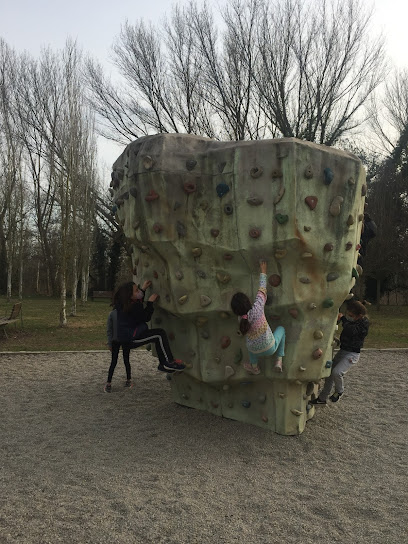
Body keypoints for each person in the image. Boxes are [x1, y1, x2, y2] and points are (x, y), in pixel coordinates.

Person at [104, 281, 185, 392]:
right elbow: (145, 317)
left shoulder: (122, 304)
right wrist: (150, 302)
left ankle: (163, 363)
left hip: (125, 337)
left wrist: (143, 289)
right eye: (136, 290)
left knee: (157, 336)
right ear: (129, 295)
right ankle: (168, 362)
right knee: (159, 334)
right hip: (132, 338)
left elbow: (136, 302)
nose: (138, 292)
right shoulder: (133, 306)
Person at [230, 260, 286, 375]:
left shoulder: (241, 319)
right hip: (270, 347)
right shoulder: (257, 308)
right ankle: (279, 360)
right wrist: (263, 271)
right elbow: (262, 289)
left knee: (250, 343)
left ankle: (255, 367)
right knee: (282, 329)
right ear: (247, 301)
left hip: (254, 350)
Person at [311, 300, 369, 405]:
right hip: (343, 351)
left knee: (337, 372)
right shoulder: (355, 320)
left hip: (352, 354)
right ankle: (322, 398)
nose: (350, 317)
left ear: (359, 315)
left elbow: (350, 330)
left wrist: (343, 319)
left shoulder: (363, 323)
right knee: (330, 374)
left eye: (352, 315)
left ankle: (339, 391)